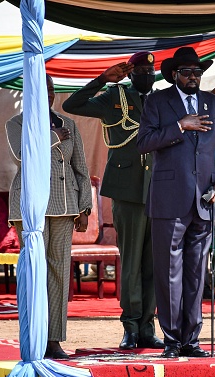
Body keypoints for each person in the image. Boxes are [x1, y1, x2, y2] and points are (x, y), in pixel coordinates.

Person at [137, 47, 215, 358]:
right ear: (175, 75)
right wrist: (181, 126)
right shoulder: (157, 101)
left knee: (196, 273)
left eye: (198, 72)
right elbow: (143, 142)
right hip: (169, 200)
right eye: (187, 72)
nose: (194, 77)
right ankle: (171, 339)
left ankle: (191, 340)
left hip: (205, 202)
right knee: (169, 272)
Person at [61, 51, 164, 350]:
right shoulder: (114, 96)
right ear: (131, 73)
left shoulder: (161, 100)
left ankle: (148, 326)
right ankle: (130, 327)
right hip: (128, 189)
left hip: (159, 189)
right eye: (141, 70)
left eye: (150, 69)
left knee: (153, 264)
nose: (146, 74)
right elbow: (73, 104)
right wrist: (102, 79)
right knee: (131, 262)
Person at [7, 75, 92, 358]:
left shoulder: (69, 123)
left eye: (52, 91)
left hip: (66, 205)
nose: (49, 96)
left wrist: (85, 207)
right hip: (31, 207)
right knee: (35, 272)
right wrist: (53, 139)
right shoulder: (16, 124)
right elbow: (22, 156)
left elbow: (80, 166)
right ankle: (35, 337)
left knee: (59, 272)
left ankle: (54, 339)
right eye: (42, 91)